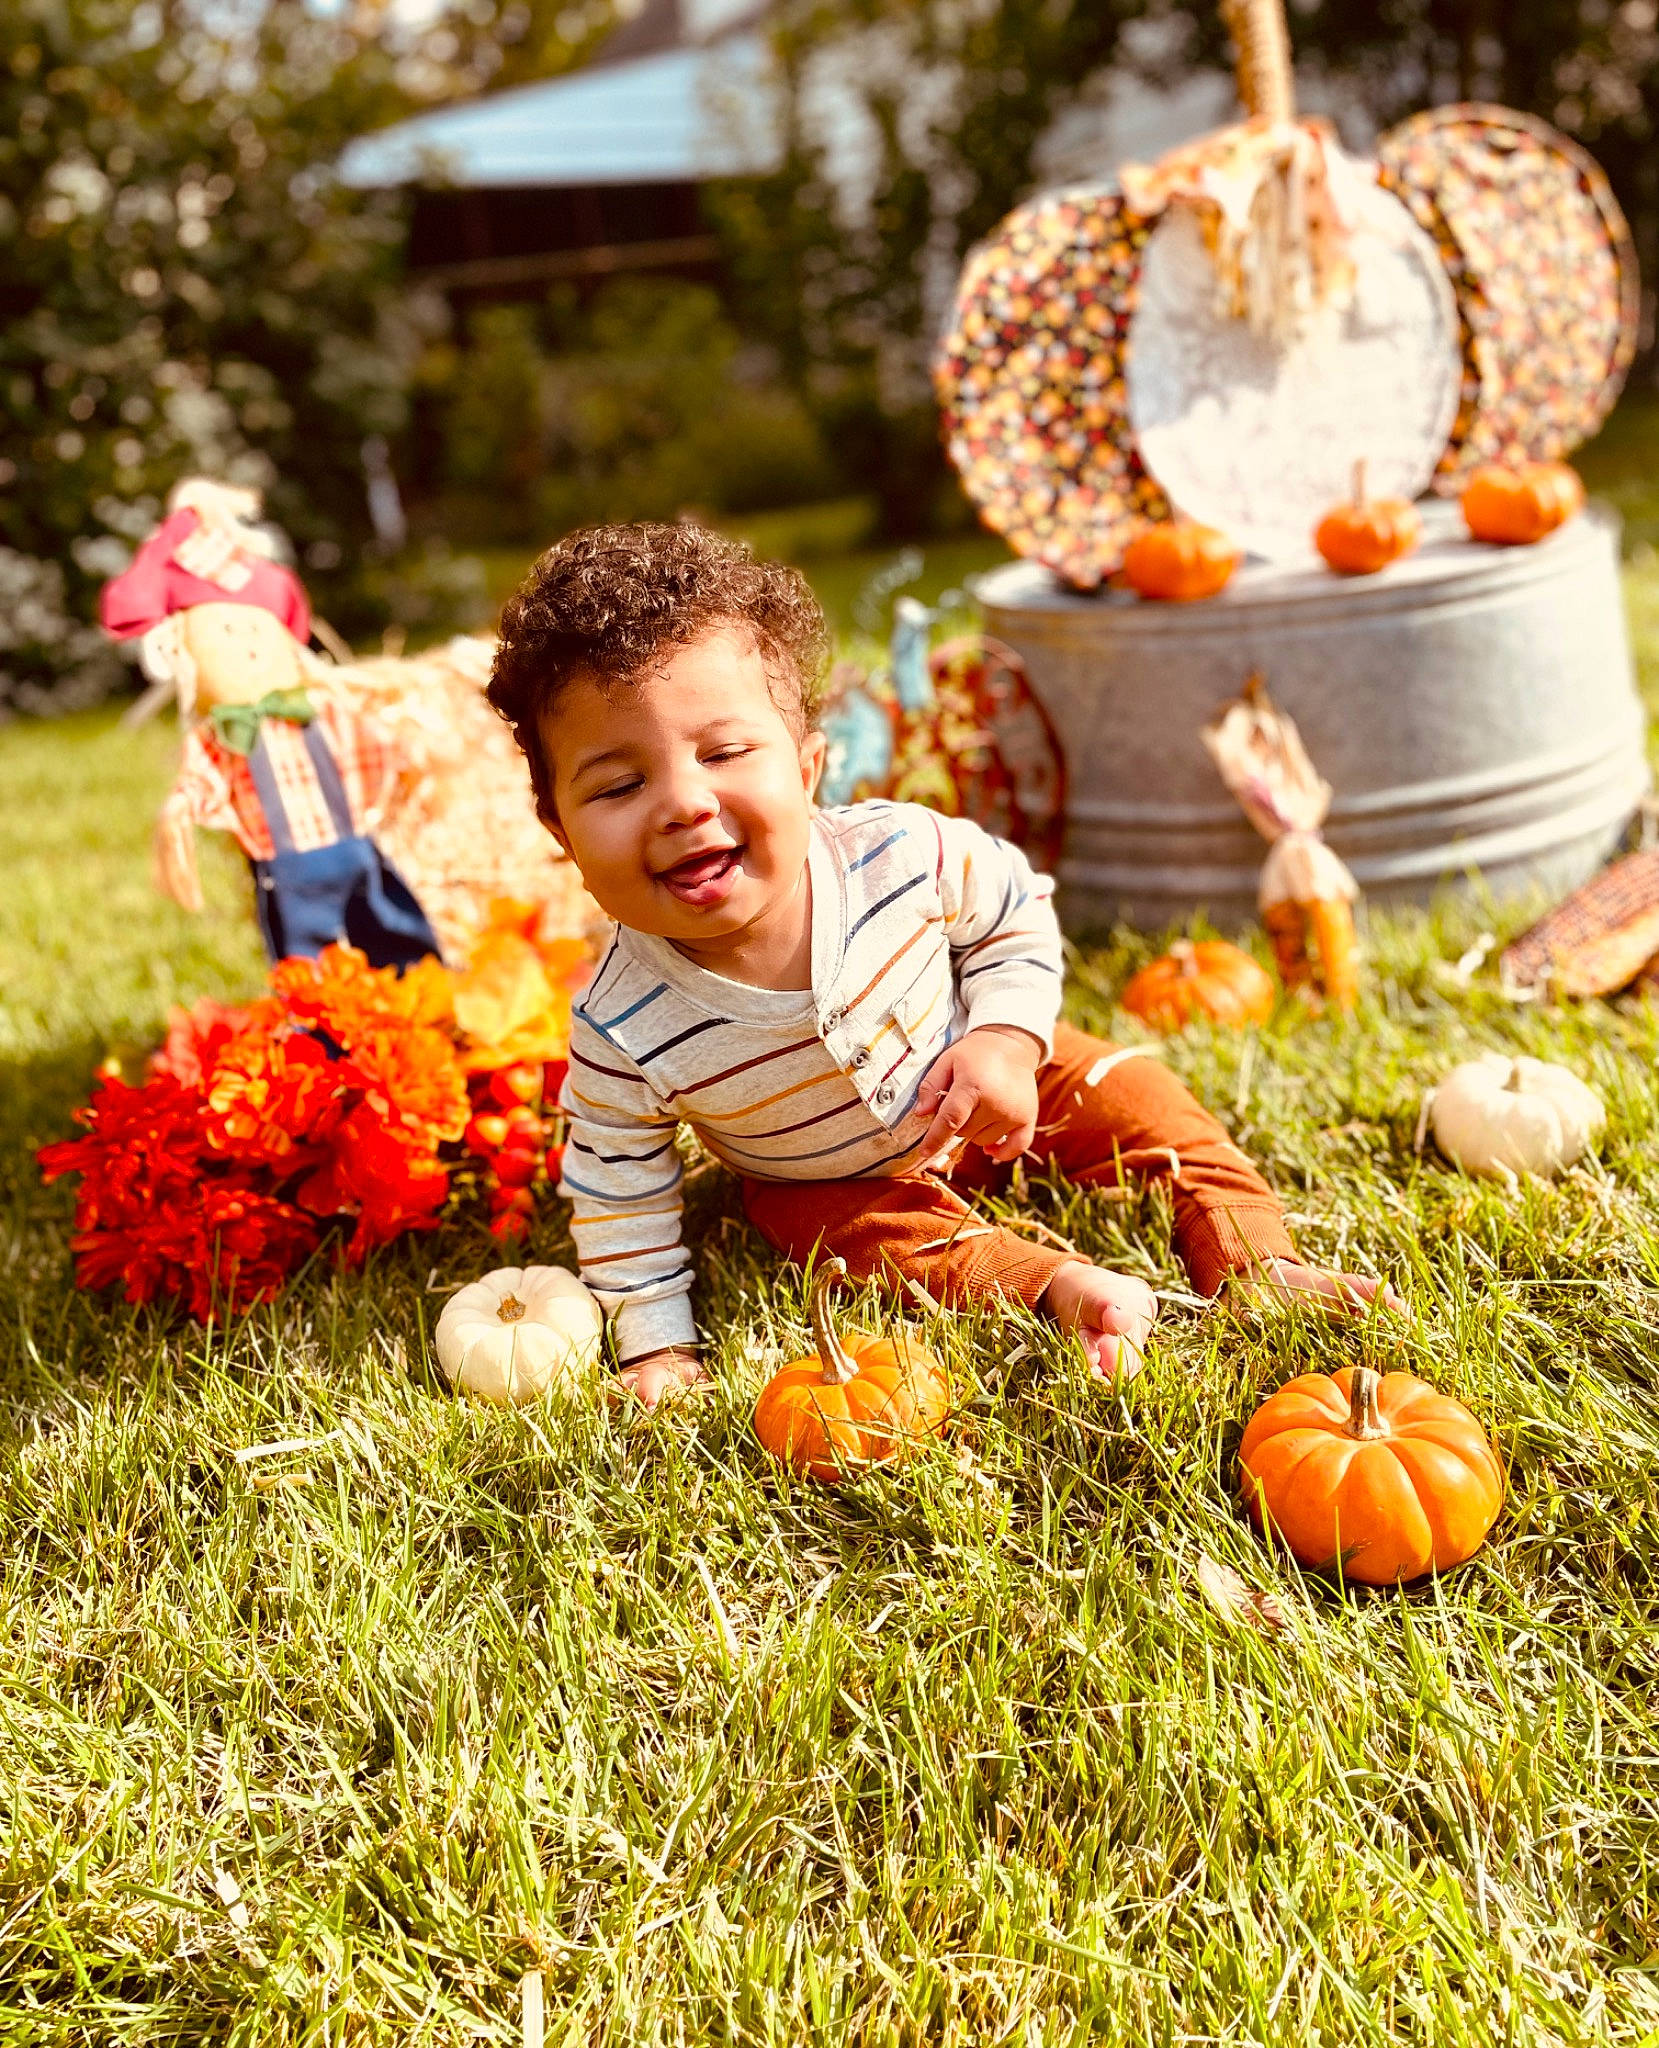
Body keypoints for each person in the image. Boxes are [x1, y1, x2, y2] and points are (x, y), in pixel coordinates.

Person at [487, 524, 1398, 1407]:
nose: (684, 802)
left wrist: (1003, 1042)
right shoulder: (620, 1023)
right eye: (618, 784)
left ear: (807, 770)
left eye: (723, 753)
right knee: (843, 1240)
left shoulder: (899, 853)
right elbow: (619, 1187)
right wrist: (656, 1343)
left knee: (1145, 1100)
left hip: (997, 1084)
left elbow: (1014, 912)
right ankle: (1055, 1286)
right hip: (833, 1180)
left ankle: (1256, 1260)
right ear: (561, 832)